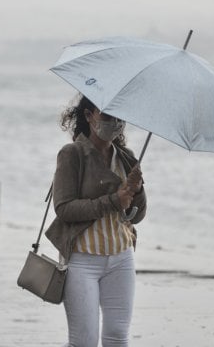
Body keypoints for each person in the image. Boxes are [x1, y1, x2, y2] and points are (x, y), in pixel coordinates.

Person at [46, 94, 147, 347]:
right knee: (84, 342)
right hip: (82, 260)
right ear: (90, 116)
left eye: (120, 117)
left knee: (117, 337)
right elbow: (64, 208)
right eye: (108, 115)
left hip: (121, 258)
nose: (115, 122)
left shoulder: (126, 157)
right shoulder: (72, 154)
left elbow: (139, 214)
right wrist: (114, 199)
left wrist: (139, 188)